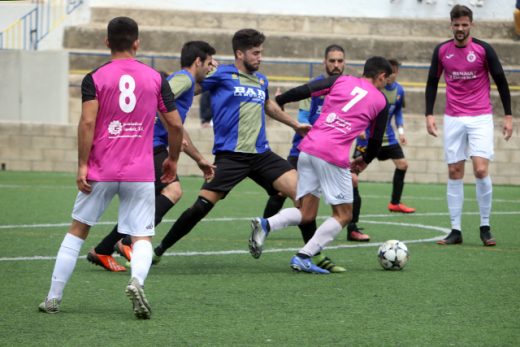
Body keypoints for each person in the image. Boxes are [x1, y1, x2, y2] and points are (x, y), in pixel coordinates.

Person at [149, 29, 346, 270]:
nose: (259, 57)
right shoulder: (220, 75)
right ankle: (160, 249)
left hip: (262, 155)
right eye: (255, 53)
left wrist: (295, 124)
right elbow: (192, 85)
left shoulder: (261, 80)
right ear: (239, 53)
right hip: (230, 156)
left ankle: (311, 256)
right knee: (201, 207)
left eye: (261, 52)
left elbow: (269, 107)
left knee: (304, 198)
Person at [38, 17, 184, 319]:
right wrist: (173, 160)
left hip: (101, 169)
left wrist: (81, 163)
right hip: (141, 171)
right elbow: (175, 124)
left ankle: (53, 298)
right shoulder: (155, 78)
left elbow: (88, 121)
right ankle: (136, 281)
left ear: (107, 42)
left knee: (78, 231)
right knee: (142, 237)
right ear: (137, 43)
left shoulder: (95, 77)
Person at [249, 56, 392, 274]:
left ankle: (266, 224)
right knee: (344, 215)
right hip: (332, 155)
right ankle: (304, 256)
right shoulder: (381, 101)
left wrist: (282, 100)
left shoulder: (341, 80)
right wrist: (364, 160)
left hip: (308, 149)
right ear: (381, 76)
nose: (385, 83)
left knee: (306, 213)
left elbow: (306, 90)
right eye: (386, 80)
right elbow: (375, 141)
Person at [86, 41, 217, 272]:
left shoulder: (187, 84)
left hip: (151, 146)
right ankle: (126, 241)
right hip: (150, 146)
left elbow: (176, 124)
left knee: (145, 203)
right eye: (208, 63)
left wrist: (198, 158)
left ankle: (104, 249)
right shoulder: (184, 79)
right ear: (198, 61)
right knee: (173, 191)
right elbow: (157, 99)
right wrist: (164, 125)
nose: (210, 68)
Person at [425, 5, 513, 246]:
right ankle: (456, 230)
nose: (460, 29)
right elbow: (432, 82)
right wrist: (428, 114)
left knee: (481, 169)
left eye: (465, 24)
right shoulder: (442, 50)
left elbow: (501, 82)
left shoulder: (484, 50)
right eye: (456, 25)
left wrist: (508, 115)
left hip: (480, 117)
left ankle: (485, 226)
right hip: (453, 117)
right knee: (454, 171)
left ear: (471, 24)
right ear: (451, 25)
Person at [347, 59, 416, 239]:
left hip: (389, 138)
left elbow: (398, 112)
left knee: (403, 165)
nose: (391, 76)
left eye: (395, 72)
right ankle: (351, 224)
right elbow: (358, 107)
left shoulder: (399, 91)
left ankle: (394, 202)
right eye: (389, 73)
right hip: (368, 140)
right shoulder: (373, 88)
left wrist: (401, 131)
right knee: (353, 176)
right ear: (383, 75)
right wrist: (360, 127)